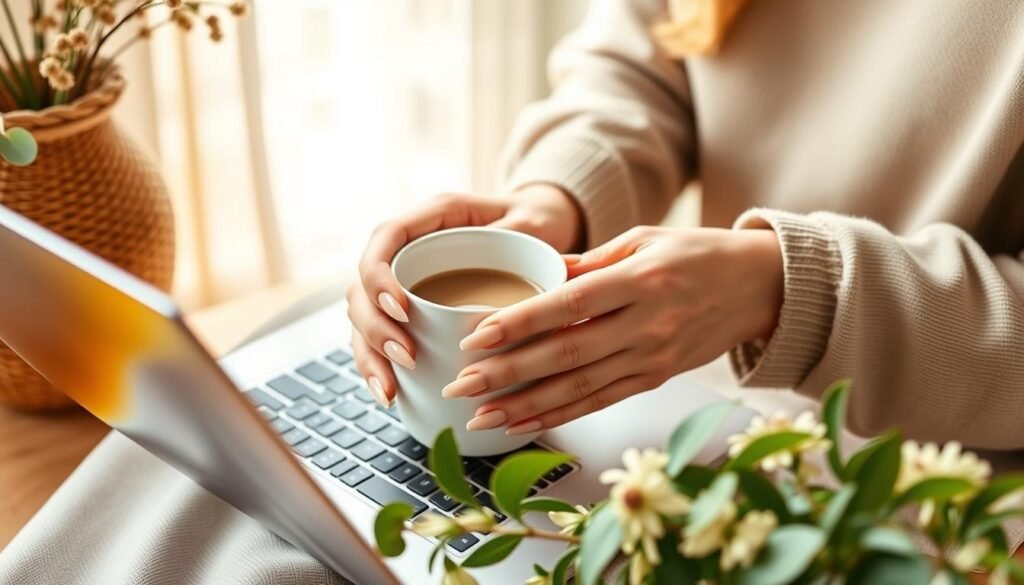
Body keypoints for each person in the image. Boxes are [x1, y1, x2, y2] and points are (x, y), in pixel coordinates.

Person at [347, 0, 1024, 449]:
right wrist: (556, 199)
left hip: (941, 498)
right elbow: (643, 65)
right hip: (706, 420)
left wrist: (787, 290)